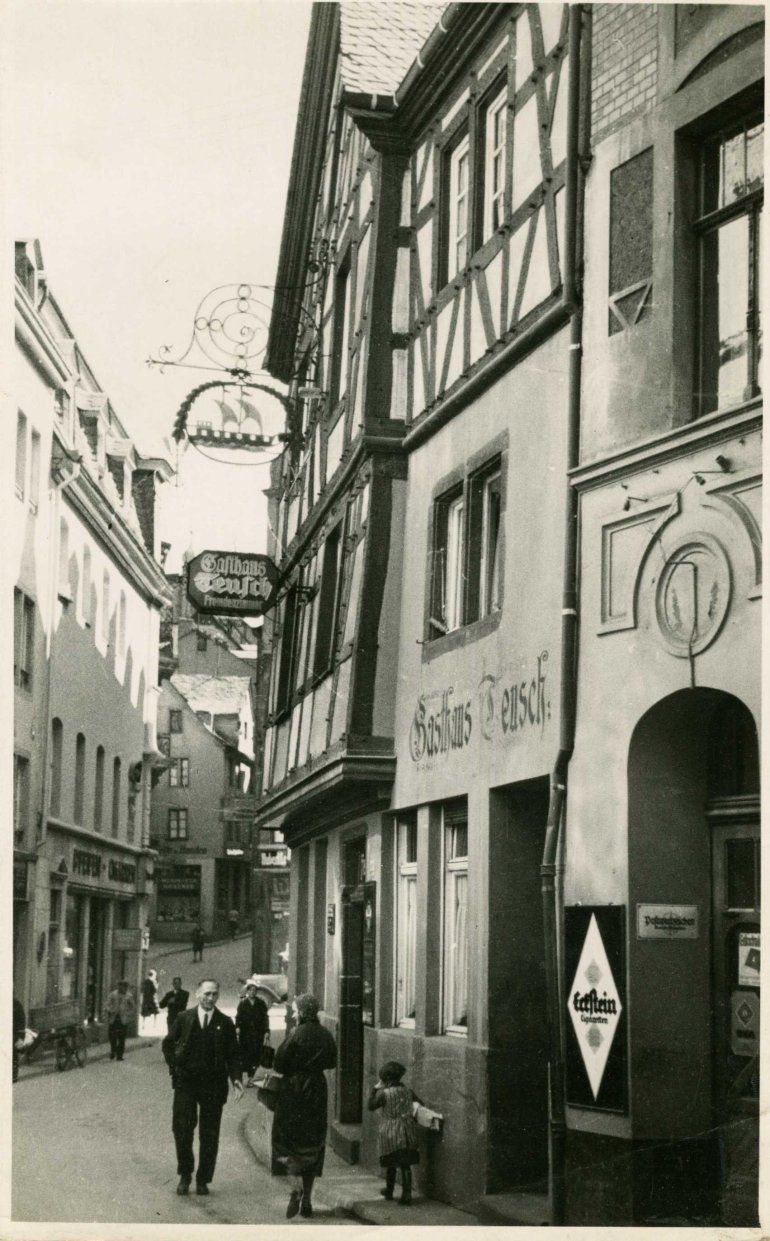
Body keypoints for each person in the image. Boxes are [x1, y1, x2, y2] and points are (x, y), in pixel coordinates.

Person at [162, 978, 243, 1196]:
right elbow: (167, 1044)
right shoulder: (184, 1018)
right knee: (182, 1128)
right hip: (186, 1083)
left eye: (214, 994)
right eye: (206, 993)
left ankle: (203, 1179)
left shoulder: (225, 1023)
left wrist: (236, 1078)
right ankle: (185, 1174)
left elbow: (233, 1054)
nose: (210, 998)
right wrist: (174, 1066)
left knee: (209, 1133)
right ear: (198, 994)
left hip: (213, 1085)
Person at [271, 993, 336, 1219]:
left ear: (302, 1011)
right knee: (312, 1143)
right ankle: (307, 1198)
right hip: (317, 1089)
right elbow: (332, 1061)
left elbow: (279, 1063)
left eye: (296, 1009)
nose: (294, 1013)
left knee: (286, 1142)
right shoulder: (325, 1034)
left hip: (294, 1090)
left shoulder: (296, 1033)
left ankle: (295, 1187)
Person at [367, 1060, 420, 1204]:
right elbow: (420, 1104)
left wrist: (374, 1089)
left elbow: (371, 1106)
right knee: (405, 1163)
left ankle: (389, 1191)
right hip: (407, 1130)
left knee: (391, 1162)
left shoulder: (385, 1094)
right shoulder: (408, 1091)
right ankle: (407, 1194)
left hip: (390, 1132)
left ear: (386, 1079)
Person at [235, 976, 269, 1087]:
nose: (252, 992)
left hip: (258, 1034)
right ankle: (247, 1077)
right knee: (246, 1056)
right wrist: (237, 1027)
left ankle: (252, 1077)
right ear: (247, 991)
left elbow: (265, 1018)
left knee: (256, 1056)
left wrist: (267, 1031)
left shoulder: (261, 1003)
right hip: (245, 1034)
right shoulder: (243, 1003)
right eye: (250, 990)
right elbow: (238, 1017)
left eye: (254, 990)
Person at [105, 980, 136, 1061]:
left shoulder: (129, 996)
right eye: (121, 986)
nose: (123, 988)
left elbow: (133, 1007)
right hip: (114, 1018)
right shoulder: (113, 994)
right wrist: (110, 1010)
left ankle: (119, 1055)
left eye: (125, 987)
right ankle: (113, 1050)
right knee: (112, 1036)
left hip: (123, 1019)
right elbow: (107, 1004)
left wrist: (128, 1014)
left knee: (122, 1038)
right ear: (119, 986)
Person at [13, 997, 26, 1083]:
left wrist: (21, 1036)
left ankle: (13, 1075)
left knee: (12, 1053)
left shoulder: (16, 1004)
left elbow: (21, 1021)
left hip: (14, 1033)